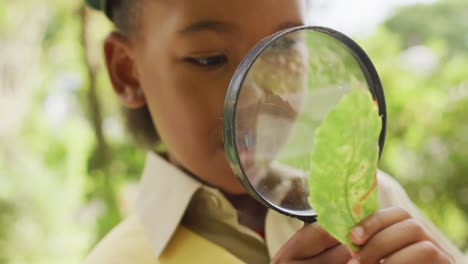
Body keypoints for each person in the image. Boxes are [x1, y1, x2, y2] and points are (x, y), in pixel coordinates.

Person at [84, 0, 466, 263]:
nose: (261, 99)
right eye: (209, 58)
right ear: (127, 71)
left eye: (285, 49)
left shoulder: (375, 197)